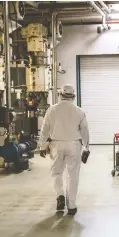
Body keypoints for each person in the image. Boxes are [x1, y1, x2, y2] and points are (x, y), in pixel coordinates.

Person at [39, 84, 90, 215]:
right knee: (73, 175)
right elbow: (85, 131)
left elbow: (44, 128)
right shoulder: (79, 111)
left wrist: (42, 145)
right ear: (73, 96)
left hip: (56, 145)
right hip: (74, 145)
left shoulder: (52, 110)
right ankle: (71, 206)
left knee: (56, 173)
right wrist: (86, 147)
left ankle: (60, 195)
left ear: (60, 95)